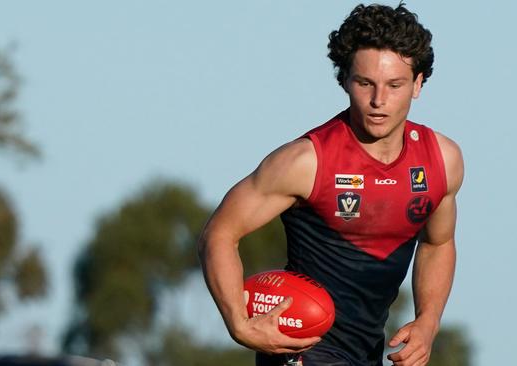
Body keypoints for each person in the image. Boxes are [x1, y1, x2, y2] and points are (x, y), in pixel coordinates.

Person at [198, 3, 464, 366]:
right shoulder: (305, 162)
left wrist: (428, 321)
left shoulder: (441, 162)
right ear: (344, 80)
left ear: (418, 84)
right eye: (365, 83)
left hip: (367, 352)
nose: (378, 101)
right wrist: (238, 323)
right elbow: (219, 233)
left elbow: (437, 243)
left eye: (395, 85)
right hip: (300, 350)